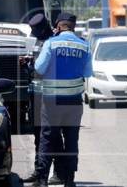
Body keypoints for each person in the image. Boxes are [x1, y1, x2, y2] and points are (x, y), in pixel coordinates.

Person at [31, 12, 92, 187]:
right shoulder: (84, 46)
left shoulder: (51, 43)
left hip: (52, 102)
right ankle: (69, 180)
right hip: (74, 102)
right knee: (72, 140)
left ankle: (42, 180)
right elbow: (87, 73)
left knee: (47, 139)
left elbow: (39, 68)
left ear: (58, 26)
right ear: (73, 26)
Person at [21, 13, 65, 185]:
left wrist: (33, 66)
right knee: (38, 134)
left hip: (51, 95)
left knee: (53, 135)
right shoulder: (35, 39)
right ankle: (39, 170)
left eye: (37, 31)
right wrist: (26, 63)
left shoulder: (54, 39)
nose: (35, 34)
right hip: (36, 93)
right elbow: (34, 68)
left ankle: (59, 172)